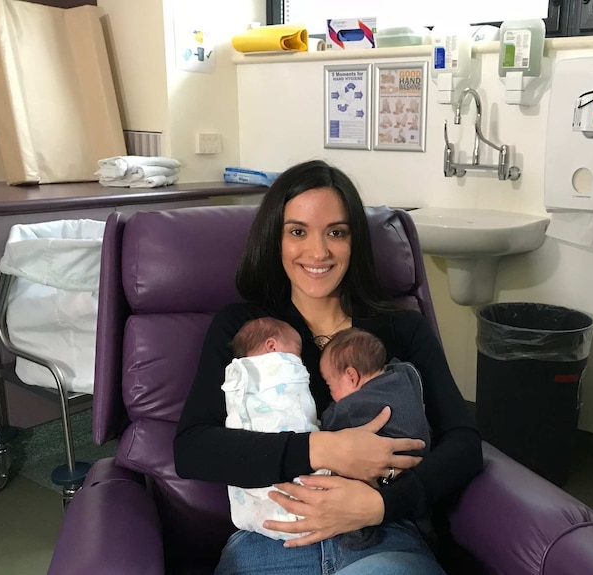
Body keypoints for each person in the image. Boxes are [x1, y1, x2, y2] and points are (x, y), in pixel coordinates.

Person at [174, 159, 483, 575]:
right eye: (298, 231)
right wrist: (322, 448)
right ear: (275, 239)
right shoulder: (244, 330)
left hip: (383, 538)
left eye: (336, 232)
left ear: (354, 242)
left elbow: (464, 445)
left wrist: (379, 504)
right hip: (267, 543)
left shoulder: (401, 328)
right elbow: (192, 449)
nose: (318, 252)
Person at [319, 327, 431, 551]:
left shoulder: (351, 407)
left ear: (351, 376)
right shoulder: (405, 376)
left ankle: (357, 537)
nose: (331, 394)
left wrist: (329, 413)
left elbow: (328, 429)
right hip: (419, 471)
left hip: (380, 480)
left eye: (330, 386)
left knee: (345, 465)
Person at [222, 316, 324, 541]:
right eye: (297, 353)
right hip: (275, 450)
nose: (299, 360)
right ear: (272, 346)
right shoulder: (262, 371)